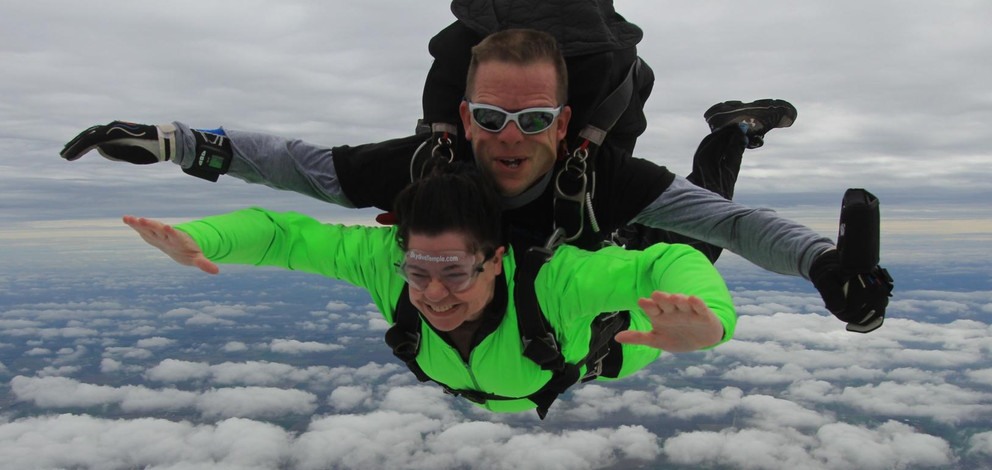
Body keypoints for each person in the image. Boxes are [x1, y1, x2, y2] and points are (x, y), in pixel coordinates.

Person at [62, 29, 890, 331]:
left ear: (563, 125)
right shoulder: (426, 165)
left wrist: (822, 264)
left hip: (604, 243)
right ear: (464, 115)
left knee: (702, 242)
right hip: (553, 256)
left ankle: (733, 131)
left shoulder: (603, 175)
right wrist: (177, 143)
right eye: (490, 118)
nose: (508, 138)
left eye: (533, 121)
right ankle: (732, 129)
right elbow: (296, 167)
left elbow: (737, 226)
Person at [123, 164, 736, 418]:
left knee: (702, 228)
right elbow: (284, 235)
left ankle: (730, 133)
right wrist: (201, 237)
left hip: (628, 339)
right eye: (418, 271)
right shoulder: (386, 262)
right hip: (526, 378)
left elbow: (669, 261)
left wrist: (709, 323)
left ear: (495, 261)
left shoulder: (558, 282)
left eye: (455, 272)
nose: (434, 293)